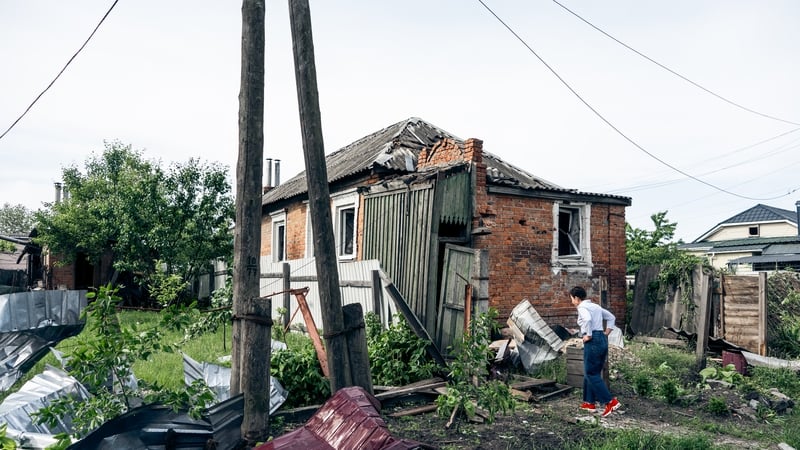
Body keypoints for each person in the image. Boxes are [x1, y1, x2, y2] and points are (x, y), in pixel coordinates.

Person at [570, 285, 621, 418]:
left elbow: (587, 319)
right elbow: (611, 317)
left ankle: (610, 401)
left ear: (576, 298)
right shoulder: (596, 307)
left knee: (591, 373)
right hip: (602, 338)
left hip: (592, 340)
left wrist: (587, 334)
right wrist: (606, 332)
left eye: (572, 299)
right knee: (591, 372)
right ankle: (589, 403)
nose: (572, 302)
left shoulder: (582, 307)